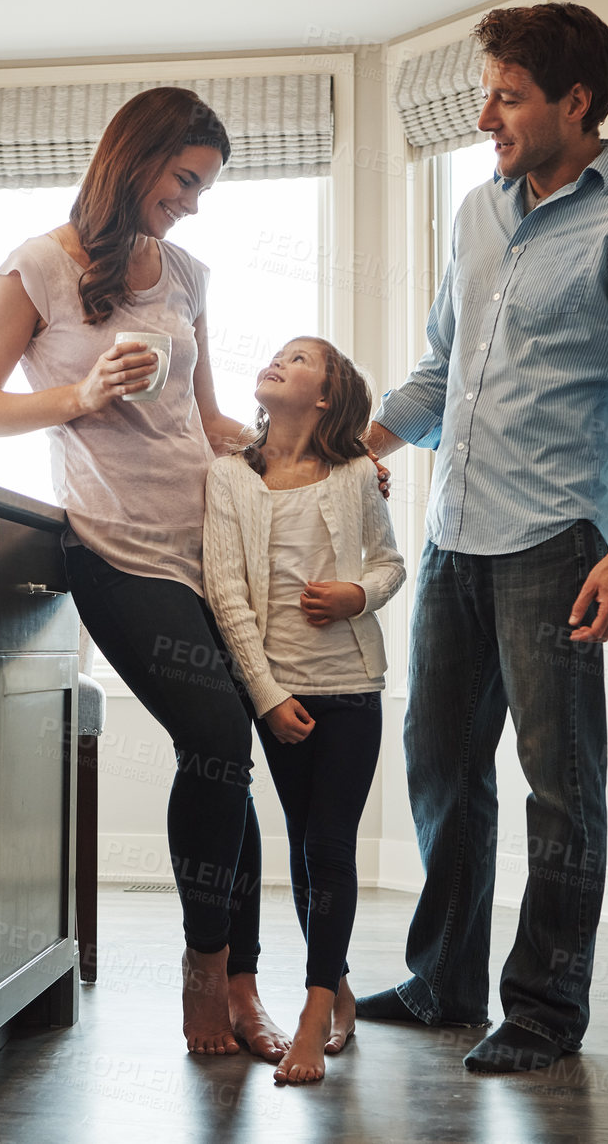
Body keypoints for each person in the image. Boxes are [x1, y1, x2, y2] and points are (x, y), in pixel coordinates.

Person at [353, 3, 608, 1074]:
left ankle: (544, 1009)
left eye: (506, 94)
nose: (485, 113)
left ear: (574, 102)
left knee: (562, 782)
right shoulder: (475, 213)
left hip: (554, 541)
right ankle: (442, 979)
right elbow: (438, 372)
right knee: (440, 765)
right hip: (452, 535)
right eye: (488, 91)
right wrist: (350, 448)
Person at [0, 86, 289, 1060]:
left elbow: (205, 417)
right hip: (111, 545)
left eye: (203, 186)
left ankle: (239, 981)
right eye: (184, 179)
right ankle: (199, 975)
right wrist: (78, 391)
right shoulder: (36, 268)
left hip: (204, 546)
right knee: (219, 734)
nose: (191, 201)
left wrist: (317, 446)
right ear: (133, 159)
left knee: (234, 754)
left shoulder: (183, 269)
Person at [201, 337, 404, 1083]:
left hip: (351, 688)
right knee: (303, 848)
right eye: (278, 354)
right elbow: (226, 595)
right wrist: (268, 696)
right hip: (277, 695)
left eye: (301, 359)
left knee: (329, 846)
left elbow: (390, 564)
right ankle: (338, 983)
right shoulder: (228, 478)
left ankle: (315, 1011)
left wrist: (359, 595)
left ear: (325, 397)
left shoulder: (356, 475)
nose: (280, 360)